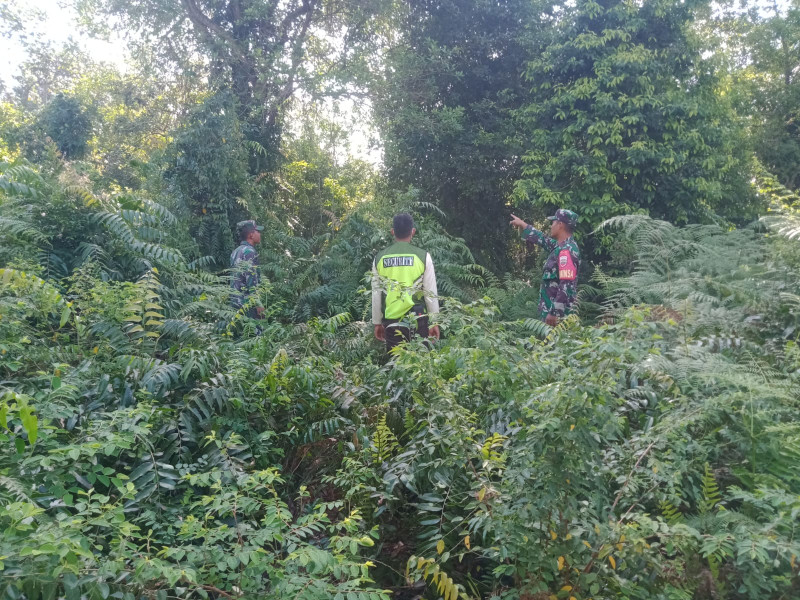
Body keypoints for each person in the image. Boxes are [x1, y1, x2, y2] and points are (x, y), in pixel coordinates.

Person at [372, 213, 441, 351]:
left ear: (393, 232)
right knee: (419, 364)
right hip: (418, 319)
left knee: (396, 366)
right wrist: (434, 322)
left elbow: (376, 294)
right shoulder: (423, 256)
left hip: (391, 320)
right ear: (413, 231)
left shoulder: (379, 258)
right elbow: (430, 293)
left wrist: (377, 323)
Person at [510, 209, 580, 326]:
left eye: (553, 223)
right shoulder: (561, 246)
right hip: (551, 314)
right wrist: (523, 225)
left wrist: (554, 312)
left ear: (560, 225)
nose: (551, 226)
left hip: (557, 319)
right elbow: (543, 240)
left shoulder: (566, 251)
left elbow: (566, 284)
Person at [230, 219, 265, 320]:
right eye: (257, 231)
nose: (259, 234)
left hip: (235, 301)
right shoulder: (249, 252)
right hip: (248, 304)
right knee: (254, 333)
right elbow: (251, 279)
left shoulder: (236, 252)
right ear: (251, 235)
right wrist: (258, 303)